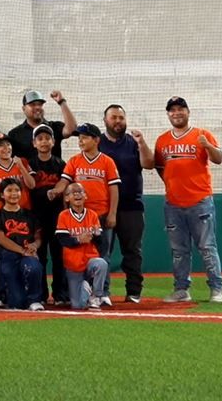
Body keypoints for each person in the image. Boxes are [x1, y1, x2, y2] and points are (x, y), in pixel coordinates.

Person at [155, 96, 222, 304]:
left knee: (207, 247)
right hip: (173, 203)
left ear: (188, 112)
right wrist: (171, 184)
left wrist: (208, 146)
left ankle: (216, 289)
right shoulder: (162, 140)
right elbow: (160, 167)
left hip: (199, 201)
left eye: (180, 109)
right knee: (179, 251)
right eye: (172, 110)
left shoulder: (202, 135)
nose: (176, 113)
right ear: (168, 114)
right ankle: (181, 290)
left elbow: (219, 158)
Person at [50, 123, 120, 305]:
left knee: (103, 255)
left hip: (102, 214)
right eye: (79, 137)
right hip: (79, 217)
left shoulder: (107, 161)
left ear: (96, 140)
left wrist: (112, 213)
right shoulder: (74, 161)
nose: (81, 140)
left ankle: (102, 293)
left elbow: (113, 188)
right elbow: (64, 181)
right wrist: (56, 191)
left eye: (85, 137)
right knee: (78, 254)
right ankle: (84, 289)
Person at [99, 105, 154, 303]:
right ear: (105, 120)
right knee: (102, 252)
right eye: (113, 117)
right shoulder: (98, 143)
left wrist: (142, 143)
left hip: (132, 205)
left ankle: (133, 292)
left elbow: (149, 164)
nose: (118, 121)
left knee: (132, 251)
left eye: (121, 117)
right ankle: (102, 293)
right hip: (104, 207)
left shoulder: (133, 142)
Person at [27, 124, 68, 306]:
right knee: (40, 255)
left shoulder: (60, 164)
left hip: (57, 216)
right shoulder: (31, 163)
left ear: (53, 141)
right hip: (37, 217)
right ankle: (41, 294)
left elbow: (65, 185)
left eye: (47, 138)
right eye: (40, 139)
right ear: (34, 143)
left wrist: (56, 192)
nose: (44, 142)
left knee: (59, 255)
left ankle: (60, 293)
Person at [0, 178, 44, 311]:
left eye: (17, 190)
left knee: (34, 267)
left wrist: (35, 246)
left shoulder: (29, 215)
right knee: (17, 303)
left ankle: (34, 299)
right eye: (9, 190)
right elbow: (1, 239)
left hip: (27, 254)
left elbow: (38, 237)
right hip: (8, 256)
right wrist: (22, 250)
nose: (14, 194)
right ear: (2, 194)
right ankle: (6, 295)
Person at [55, 183, 108, 311]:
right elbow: (63, 240)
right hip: (73, 265)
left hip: (90, 260)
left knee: (101, 263)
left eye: (80, 192)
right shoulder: (64, 215)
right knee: (78, 305)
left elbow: (101, 243)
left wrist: (96, 235)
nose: (77, 194)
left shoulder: (92, 215)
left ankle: (96, 295)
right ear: (67, 198)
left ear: (86, 196)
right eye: (73, 192)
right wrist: (79, 239)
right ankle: (86, 286)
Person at [8, 90, 76, 161]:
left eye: (40, 104)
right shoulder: (15, 134)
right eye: (33, 104)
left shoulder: (54, 127)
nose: (37, 107)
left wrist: (62, 102)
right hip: (27, 172)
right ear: (24, 109)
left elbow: (71, 130)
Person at [0, 133, 37, 212]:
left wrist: (21, 167)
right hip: (2, 213)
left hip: (23, 210)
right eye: (1, 145)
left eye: (8, 144)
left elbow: (32, 185)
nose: (6, 148)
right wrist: (5, 190)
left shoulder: (22, 161)